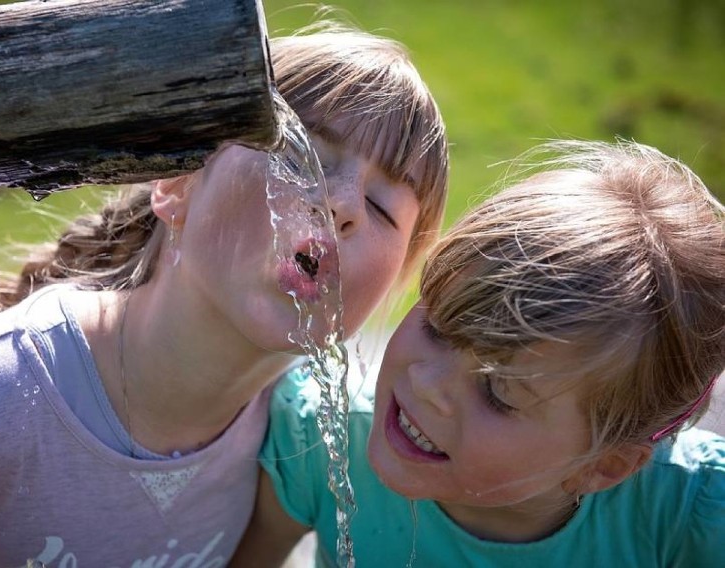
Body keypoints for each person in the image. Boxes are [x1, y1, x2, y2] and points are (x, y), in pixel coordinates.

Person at [0, 24, 448, 567]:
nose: (341, 205)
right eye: (302, 158)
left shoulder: (299, 444)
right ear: (176, 184)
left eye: (381, 208)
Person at [233, 139, 725, 567]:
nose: (428, 382)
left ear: (602, 467)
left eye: (497, 392)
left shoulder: (690, 517)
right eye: (439, 326)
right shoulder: (321, 439)